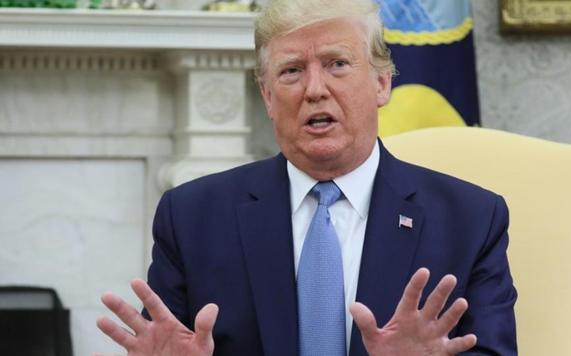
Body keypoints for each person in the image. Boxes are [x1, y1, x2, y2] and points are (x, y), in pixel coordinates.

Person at [96, 0, 517, 355]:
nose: (314, 89)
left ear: (382, 83)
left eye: (337, 64)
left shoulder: (471, 219)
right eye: (292, 71)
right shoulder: (191, 217)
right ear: (267, 96)